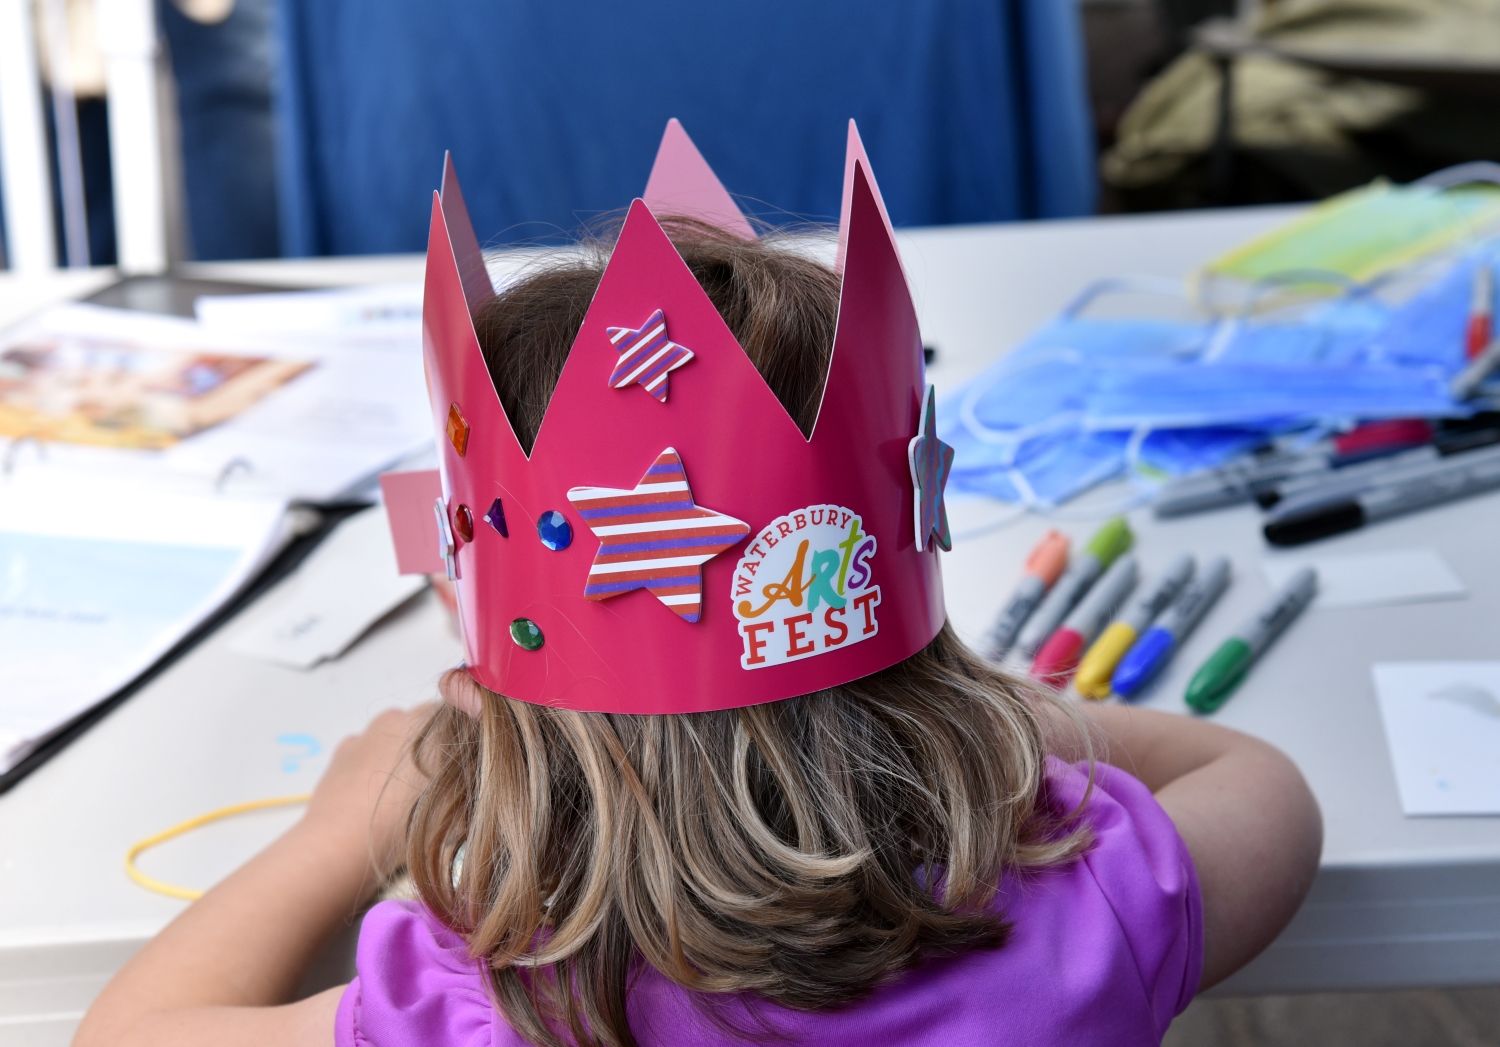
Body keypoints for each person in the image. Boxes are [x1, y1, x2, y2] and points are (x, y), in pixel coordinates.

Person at [76, 143, 1321, 1047]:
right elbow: (1268, 793)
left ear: (496, 707)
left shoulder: (477, 1013)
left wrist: (334, 838)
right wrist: (1021, 724)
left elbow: (128, 1037)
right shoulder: (1084, 909)